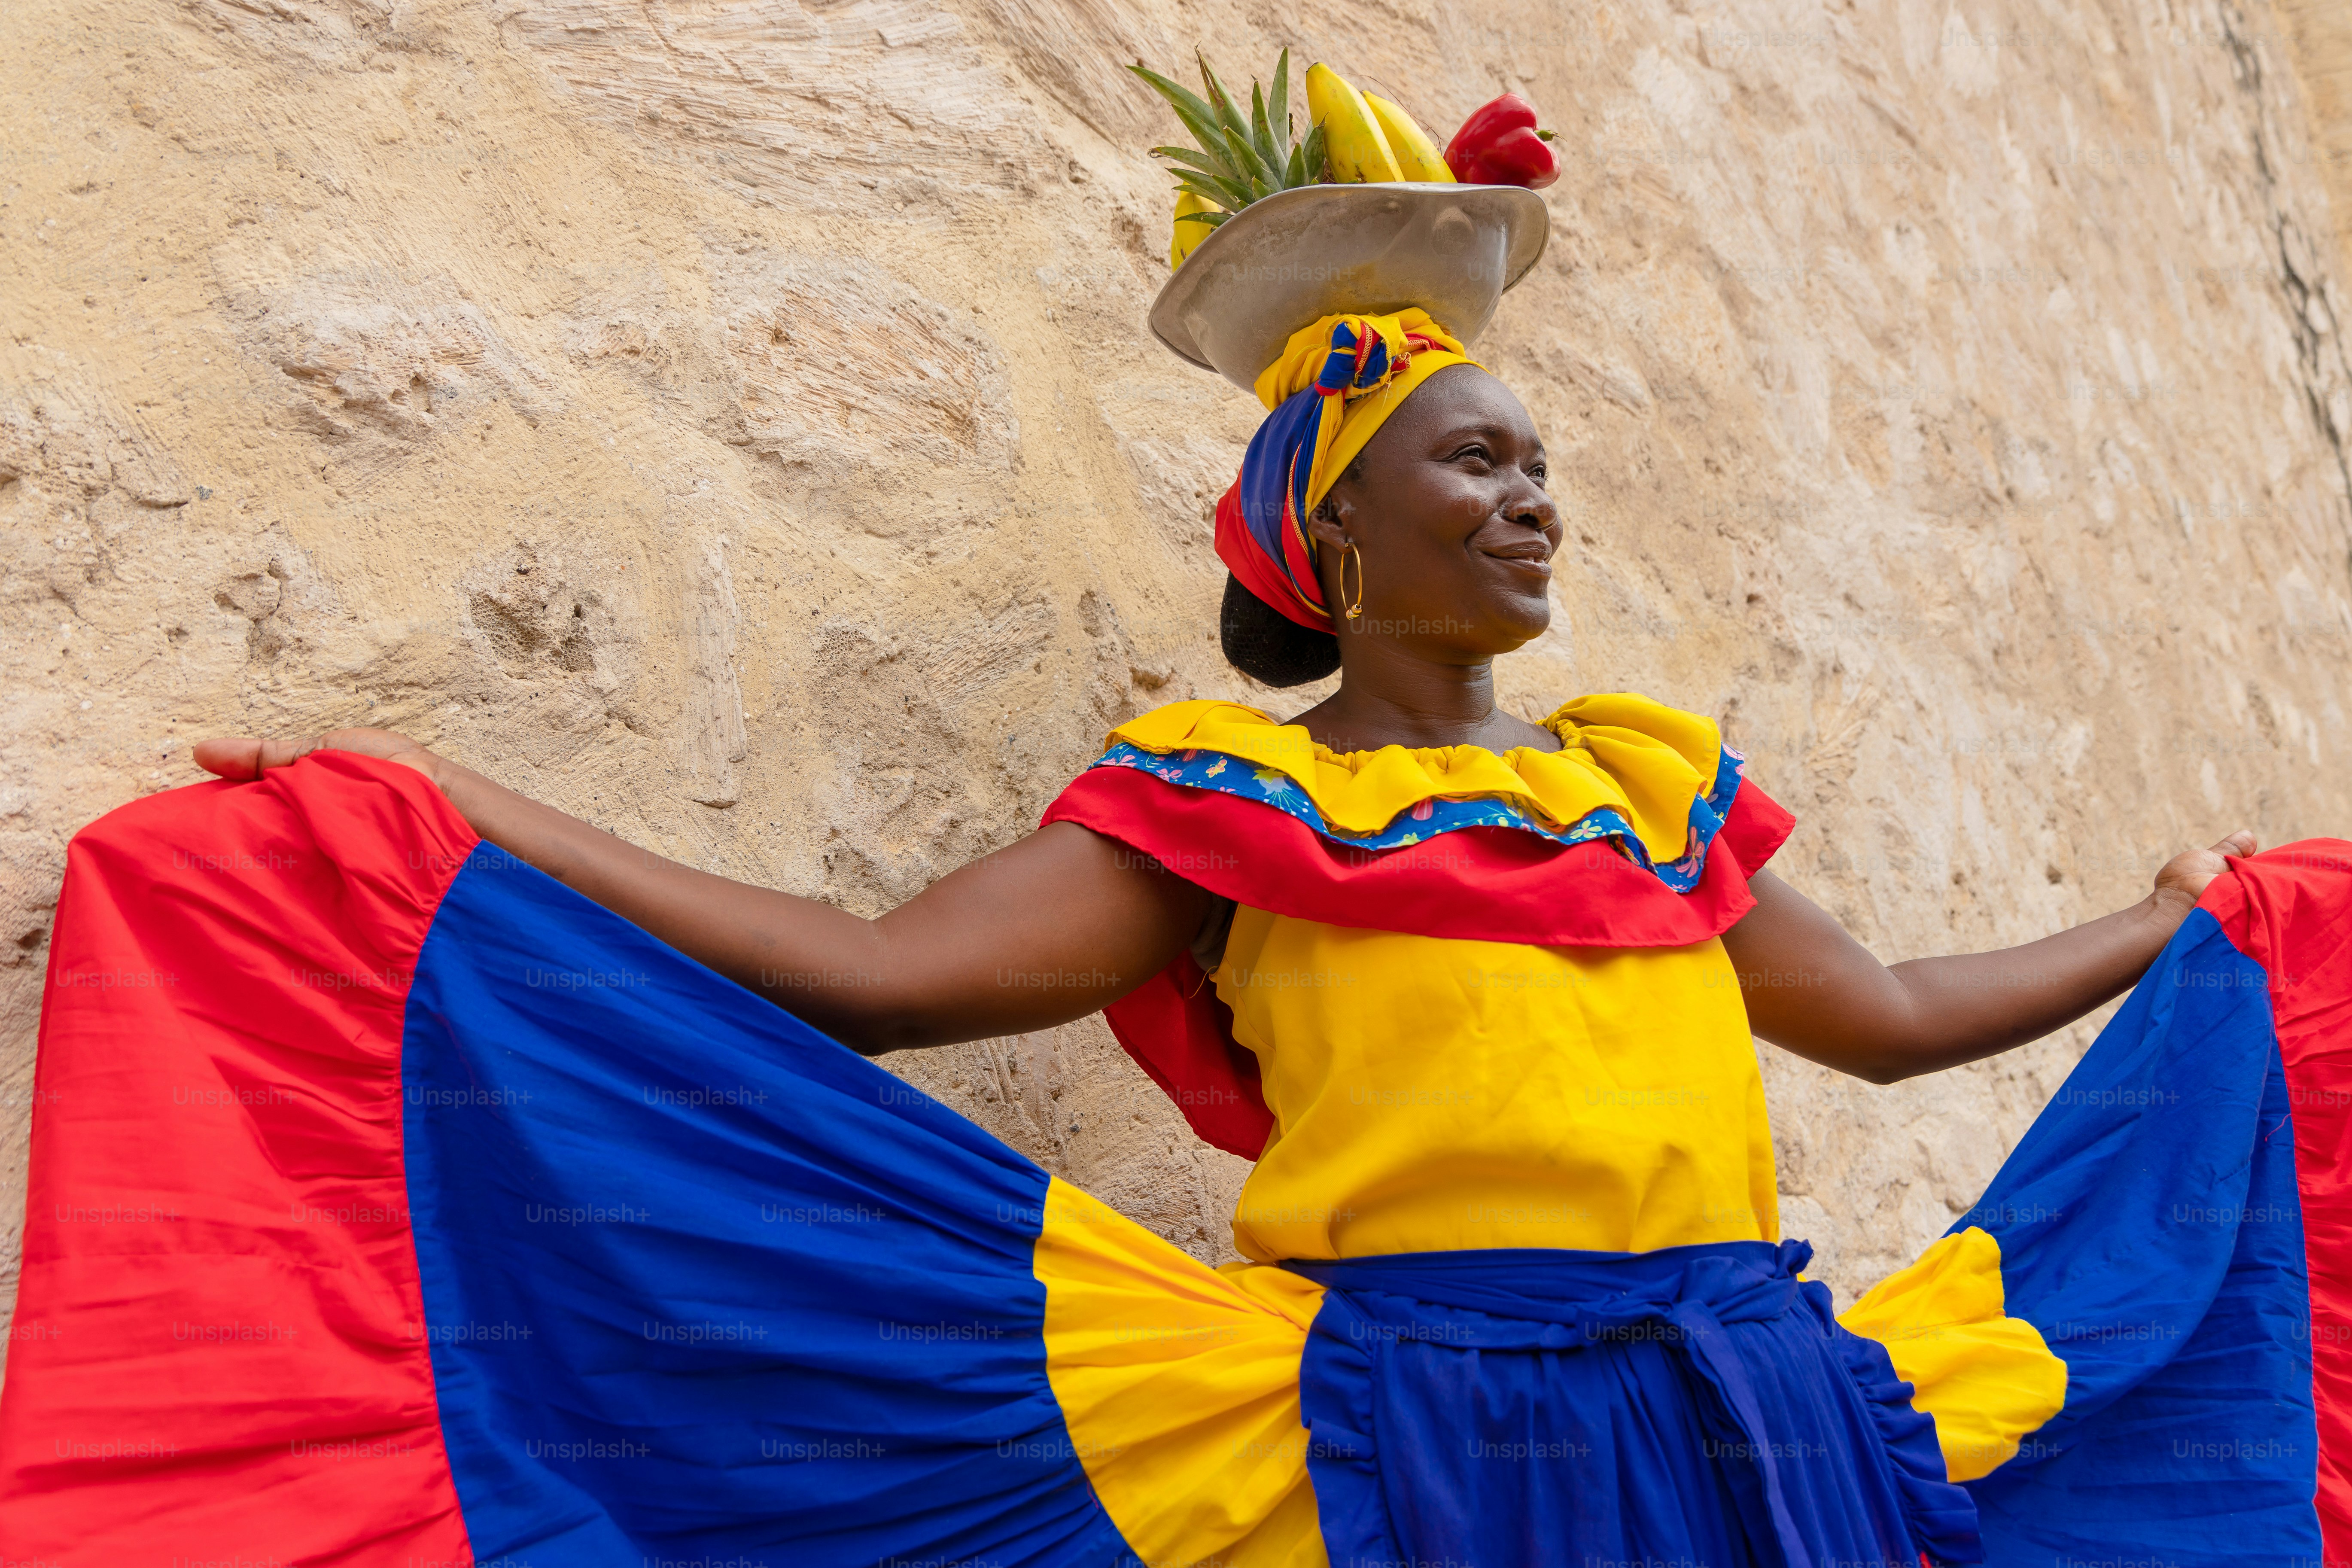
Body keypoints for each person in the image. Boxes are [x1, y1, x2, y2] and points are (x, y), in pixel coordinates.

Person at [175, 312, 2257, 1568]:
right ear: (1334, 534)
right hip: (1436, 1437)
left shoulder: (1641, 788)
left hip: (1749, 1414)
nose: (1532, 499)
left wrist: (2156, 933)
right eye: (1476, 460)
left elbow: (1882, 1020)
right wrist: (460, 810)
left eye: (1541, 465)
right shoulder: (1227, 807)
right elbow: (876, 974)